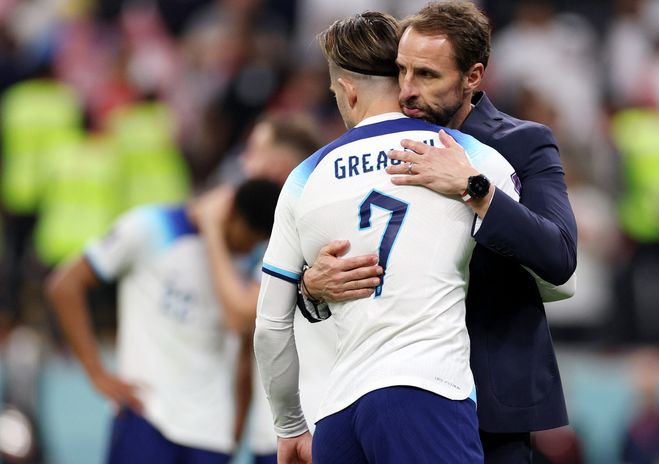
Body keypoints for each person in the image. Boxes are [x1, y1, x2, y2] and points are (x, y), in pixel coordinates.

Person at [300, 2, 578, 462]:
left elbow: (559, 254)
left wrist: (475, 189)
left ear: (473, 77)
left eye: (427, 76)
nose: (407, 91)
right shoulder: (373, 150)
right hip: (384, 389)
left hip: (488, 394)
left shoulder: (522, 143)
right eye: (402, 71)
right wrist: (310, 287)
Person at [253, 11, 521, 464]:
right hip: (426, 393)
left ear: (349, 91)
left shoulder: (304, 178)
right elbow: (554, 274)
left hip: (338, 415)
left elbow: (270, 327)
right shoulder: (465, 158)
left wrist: (290, 426)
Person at [46, 179, 281, 464]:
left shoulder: (258, 260)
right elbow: (65, 286)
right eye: (246, 240)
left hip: (212, 436)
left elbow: (245, 347)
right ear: (230, 214)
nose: (248, 250)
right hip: (148, 418)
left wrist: (234, 431)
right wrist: (96, 372)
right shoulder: (150, 227)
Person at [190, 114, 323, 464]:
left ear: (278, 167)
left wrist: (212, 229)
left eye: (252, 152)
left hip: (303, 429)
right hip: (285, 428)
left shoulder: (299, 227)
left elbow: (241, 316)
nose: (242, 163)